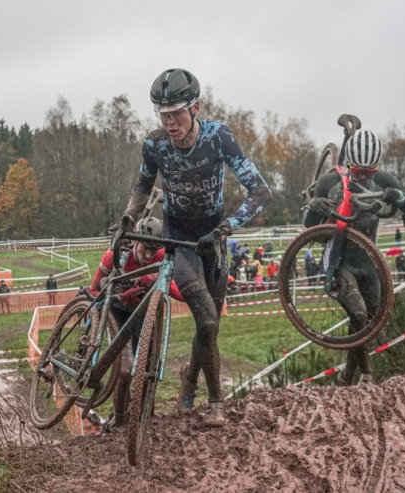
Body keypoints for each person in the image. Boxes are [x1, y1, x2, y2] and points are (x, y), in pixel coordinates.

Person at [115, 68, 271, 426]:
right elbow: (142, 187)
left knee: (209, 328)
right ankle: (217, 405)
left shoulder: (220, 138)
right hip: (178, 238)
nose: (170, 123)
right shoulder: (154, 145)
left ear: (195, 107)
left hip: (212, 238)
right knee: (206, 317)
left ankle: (189, 379)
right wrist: (128, 217)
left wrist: (227, 227)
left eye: (177, 115)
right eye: (163, 115)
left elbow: (261, 191)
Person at [304, 129, 405, 386]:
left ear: (376, 168)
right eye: (357, 170)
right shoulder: (329, 183)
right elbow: (308, 227)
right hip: (339, 258)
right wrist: (314, 207)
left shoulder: (385, 179)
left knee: (367, 321)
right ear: (348, 163)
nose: (361, 176)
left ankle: (347, 376)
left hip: (369, 260)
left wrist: (402, 199)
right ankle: (367, 374)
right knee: (358, 314)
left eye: (368, 173)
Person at [91, 218, 183, 431]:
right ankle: (120, 419)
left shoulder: (160, 257)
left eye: (154, 250)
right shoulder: (115, 257)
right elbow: (95, 291)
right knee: (124, 371)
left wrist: (158, 278)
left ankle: (145, 414)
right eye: (145, 248)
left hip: (144, 316)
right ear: (135, 241)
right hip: (119, 314)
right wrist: (121, 296)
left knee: (148, 368)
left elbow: (180, 293)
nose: (149, 255)